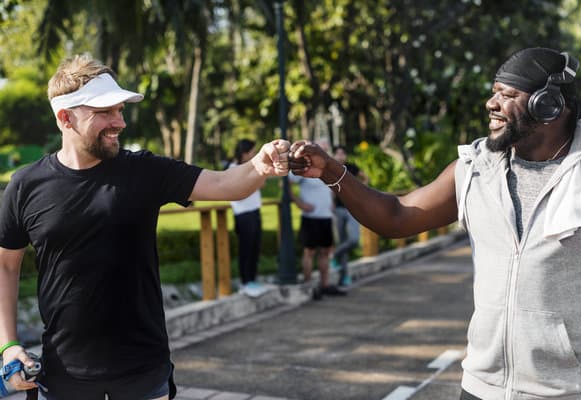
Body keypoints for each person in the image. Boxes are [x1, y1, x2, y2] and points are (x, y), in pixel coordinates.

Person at [289, 47, 581, 400]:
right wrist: (332, 172)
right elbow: (396, 216)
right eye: (494, 91)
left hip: (572, 391)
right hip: (483, 387)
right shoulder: (474, 169)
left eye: (508, 94)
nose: (491, 103)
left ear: (549, 106)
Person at [0, 54, 290, 400]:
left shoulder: (145, 171)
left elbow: (228, 185)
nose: (119, 122)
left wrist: (260, 165)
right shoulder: (26, 185)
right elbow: (5, 264)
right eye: (105, 112)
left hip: (144, 371)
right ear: (65, 118)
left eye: (121, 110)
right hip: (63, 374)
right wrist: (9, 346)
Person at [288, 139, 347, 300]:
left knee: (325, 251)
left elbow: (332, 186)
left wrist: (332, 201)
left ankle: (325, 285)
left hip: (325, 215)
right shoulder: (304, 165)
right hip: (311, 216)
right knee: (309, 252)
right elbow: (286, 184)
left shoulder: (327, 166)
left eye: (327, 149)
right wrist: (300, 203)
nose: (326, 151)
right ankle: (308, 286)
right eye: (323, 148)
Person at [227, 139, 267, 298]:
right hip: (243, 215)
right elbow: (241, 189)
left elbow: (259, 184)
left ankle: (252, 279)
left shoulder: (252, 167)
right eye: (252, 152)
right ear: (244, 152)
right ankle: (245, 283)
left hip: (255, 212)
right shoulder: (233, 168)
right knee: (246, 249)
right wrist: (254, 182)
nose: (254, 155)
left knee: (255, 248)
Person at [330, 145, 368, 286]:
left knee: (353, 240)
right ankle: (344, 277)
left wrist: (360, 192)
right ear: (334, 155)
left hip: (352, 209)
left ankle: (334, 254)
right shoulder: (331, 169)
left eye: (342, 153)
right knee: (342, 241)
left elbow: (365, 178)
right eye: (337, 153)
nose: (340, 156)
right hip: (338, 210)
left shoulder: (351, 168)